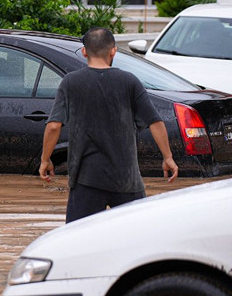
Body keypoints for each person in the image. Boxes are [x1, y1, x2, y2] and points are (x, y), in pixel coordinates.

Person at [39, 27, 178, 223]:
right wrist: (168, 157)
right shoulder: (129, 81)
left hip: (86, 179)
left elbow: (54, 126)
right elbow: (155, 122)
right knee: (137, 237)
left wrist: (45, 159)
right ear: (113, 51)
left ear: (85, 51)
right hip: (126, 179)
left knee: (77, 239)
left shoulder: (70, 82)